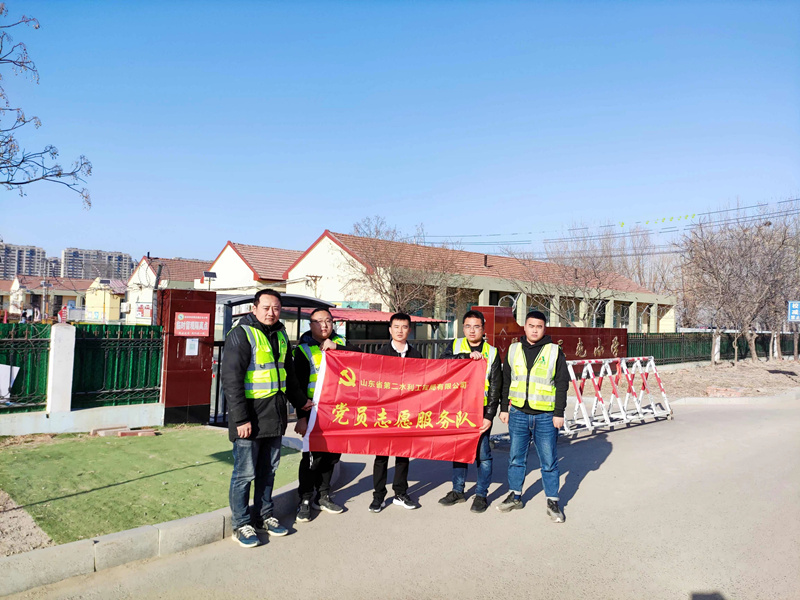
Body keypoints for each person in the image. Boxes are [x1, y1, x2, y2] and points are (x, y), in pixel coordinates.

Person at [221, 289, 312, 547]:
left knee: (268, 471)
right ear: (254, 308)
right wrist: (241, 419)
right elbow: (231, 380)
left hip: (274, 416)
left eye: (276, 308)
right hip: (249, 417)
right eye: (266, 307)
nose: (271, 313)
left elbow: (288, 375)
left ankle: (264, 516)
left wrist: (301, 402)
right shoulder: (241, 334)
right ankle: (241, 524)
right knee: (244, 474)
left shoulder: (280, 335)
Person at [497, 310, 568, 523]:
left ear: (544, 328)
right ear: (525, 327)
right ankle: (515, 495)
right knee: (516, 459)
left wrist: (559, 413)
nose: (535, 330)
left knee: (549, 461)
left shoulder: (554, 351)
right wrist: (504, 408)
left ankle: (553, 501)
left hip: (545, 416)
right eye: (531, 326)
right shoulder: (513, 349)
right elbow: (506, 380)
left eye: (539, 326)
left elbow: (562, 384)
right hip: (518, 413)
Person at [293, 307, 361, 522]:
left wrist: (337, 347)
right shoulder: (303, 350)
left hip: (338, 412)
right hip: (314, 412)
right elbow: (298, 386)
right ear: (310, 325)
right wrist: (301, 418)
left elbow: (361, 357)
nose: (324, 325)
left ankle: (323, 495)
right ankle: (305, 499)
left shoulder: (341, 343)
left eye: (328, 321)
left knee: (332, 456)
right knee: (312, 458)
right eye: (319, 321)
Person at [437, 310, 502, 513]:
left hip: (480, 410)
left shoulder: (492, 352)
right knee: (459, 451)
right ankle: (458, 491)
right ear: (463, 328)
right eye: (467, 326)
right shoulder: (455, 345)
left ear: (483, 329)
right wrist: (465, 356)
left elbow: (495, 386)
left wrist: (489, 415)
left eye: (476, 327)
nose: (472, 330)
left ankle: (481, 494)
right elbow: (442, 364)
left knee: (483, 454)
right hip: (458, 408)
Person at [370, 312, 422, 513]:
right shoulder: (380, 354)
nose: (400, 331)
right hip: (384, 412)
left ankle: (400, 493)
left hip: (406, 412)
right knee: (381, 456)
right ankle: (378, 496)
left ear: (409, 330)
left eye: (404, 327)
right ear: (390, 329)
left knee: (403, 455)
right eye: (396, 327)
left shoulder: (416, 356)